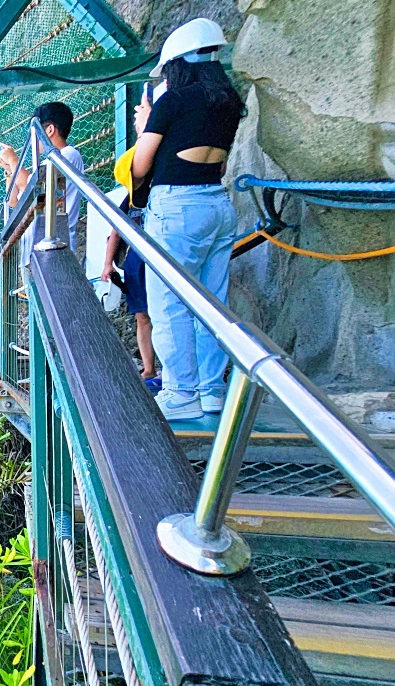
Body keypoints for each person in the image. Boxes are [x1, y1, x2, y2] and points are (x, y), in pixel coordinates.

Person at [132, 17, 243, 421]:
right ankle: (211, 391)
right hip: (217, 203)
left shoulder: (172, 102)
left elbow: (140, 167)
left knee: (169, 305)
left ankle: (181, 392)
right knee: (212, 302)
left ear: (178, 64)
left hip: (177, 207)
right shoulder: (229, 101)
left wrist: (146, 126)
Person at [102, 147, 159, 392]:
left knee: (161, 316)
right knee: (142, 316)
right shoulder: (133, 197)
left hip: (155, 259)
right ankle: (149, 368)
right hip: (136, 264)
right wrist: (107, 263)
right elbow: (115, 231)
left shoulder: (162, 189)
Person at [0, 102, 85, 256]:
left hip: (54, 248)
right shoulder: (47, 163)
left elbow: (30, 187)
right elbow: (14, 202)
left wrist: (13, 161)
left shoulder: (67, 155)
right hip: (36, 249)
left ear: (50, 130)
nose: (32, 140)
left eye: (35, 133)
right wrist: (10, 170)